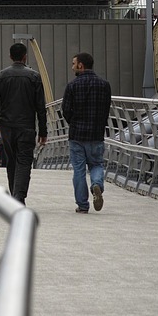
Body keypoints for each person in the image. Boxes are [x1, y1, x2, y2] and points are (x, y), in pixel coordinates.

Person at [0, 42, 47, 203]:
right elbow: (41, 107)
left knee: (11, 162)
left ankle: (14, 195)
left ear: (11, 56)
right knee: (24, 162)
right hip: (27, 127)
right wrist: (43, 132)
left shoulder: (1, 76)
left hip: (7, 127)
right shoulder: (34, 77)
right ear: (25, 57)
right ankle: (19, 196)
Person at [62, 51, 112, 213]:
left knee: (79, 170)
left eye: (73, 63)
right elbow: (106, 109)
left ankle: (83, 205)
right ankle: (97, 184)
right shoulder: (104, 85)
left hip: (77, 134)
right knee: (96, 164)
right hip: (96, 134)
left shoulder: (72, 86)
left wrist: (74, 122)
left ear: (80, 65)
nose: (72, 66)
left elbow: (66, 110)